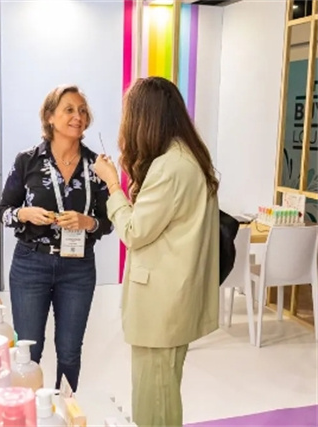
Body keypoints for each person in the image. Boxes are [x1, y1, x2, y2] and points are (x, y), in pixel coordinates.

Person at [93, 76, 220, 427]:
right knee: (162, 392)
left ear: (144, 118)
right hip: (174, 298)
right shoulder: (187, 157)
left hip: (162, 304)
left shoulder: (170, 166)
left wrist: (112, 184)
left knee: (154, 404)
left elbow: (134, 232)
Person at [0, 84, 112, 391]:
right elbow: (3, 211)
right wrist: (24, 214)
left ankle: (67, 411)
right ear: (50, 117)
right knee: (29, 351)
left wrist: (88, 222)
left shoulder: (97, 166)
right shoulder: (27, 161)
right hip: (30, 264)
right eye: (69, 110)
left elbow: (109, 222)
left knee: (70, 352)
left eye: (83, 111)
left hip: (78, 268)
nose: (78, 116)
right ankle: (27, 412)